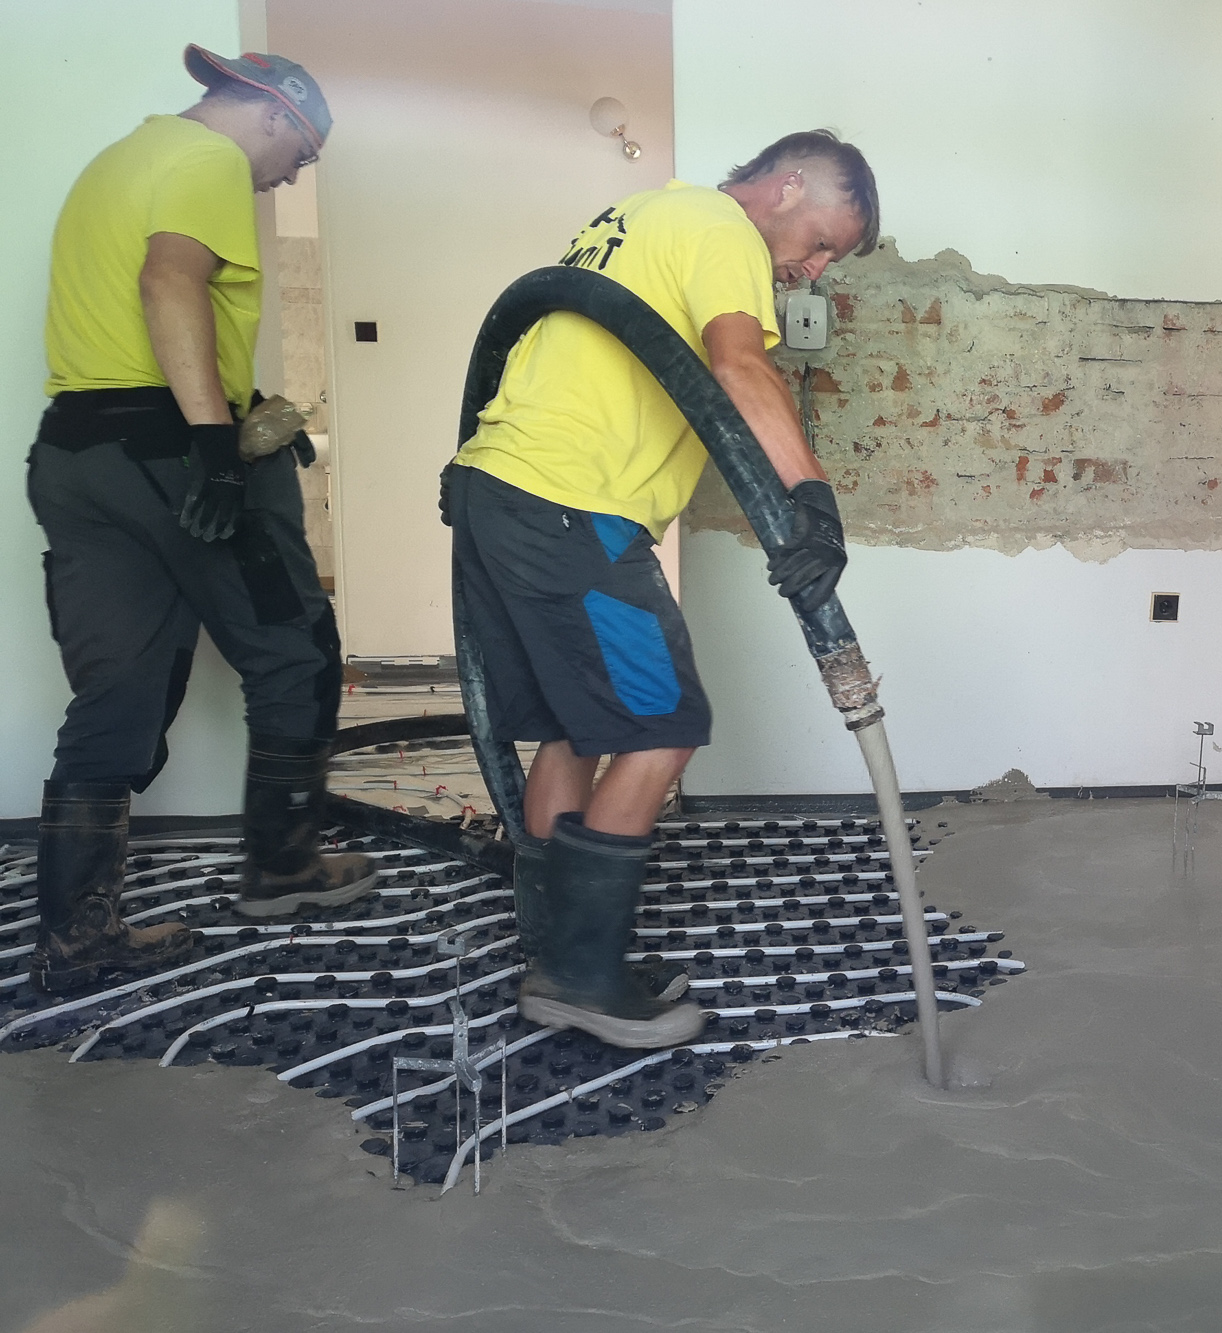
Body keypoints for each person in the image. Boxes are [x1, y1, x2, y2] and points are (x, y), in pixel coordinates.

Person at [443, 130, 879, 1047]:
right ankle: (581, 976)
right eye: (822, 242)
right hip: (572, 503)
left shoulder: (643, 214)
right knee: (662, 724)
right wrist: (812, 501)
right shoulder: (722, 228)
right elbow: (739, 365)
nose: (814, 270)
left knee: (574, 728)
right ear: (789, 184)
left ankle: (563, 954)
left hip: (501, 488)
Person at [27, 47, 377, 994]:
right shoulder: (211, 159)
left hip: (76, 455)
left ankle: (76, 937)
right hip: (172, 452)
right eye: (301, 154)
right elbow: (169, 280)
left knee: (120, 688)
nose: (290, 175)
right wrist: (217, 447)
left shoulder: (120, 159)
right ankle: (283, 868)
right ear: (272, 113)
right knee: (297, 651)